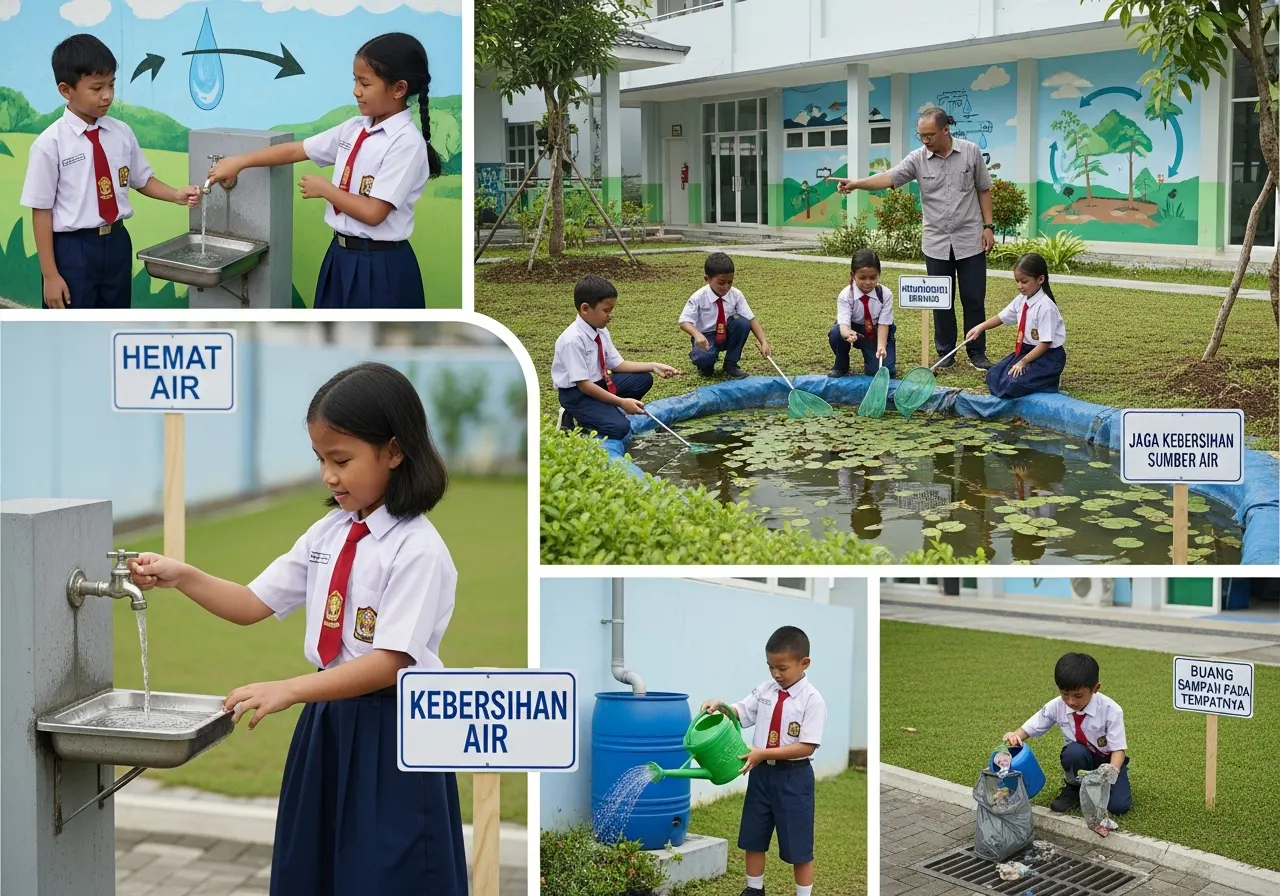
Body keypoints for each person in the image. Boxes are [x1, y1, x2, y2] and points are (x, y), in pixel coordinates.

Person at [127, 362, 469, 896]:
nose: (329, 476)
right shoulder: (329, 531)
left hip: (399, 732)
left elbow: (389, 662)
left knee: (389, 874)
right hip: (328, 724)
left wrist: (289, 689)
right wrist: (184, 576)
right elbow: (250, 602)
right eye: (321, 460)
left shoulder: (417, 549)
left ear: (395, 452)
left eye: (342, 460)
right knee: (313, 869)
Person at [207, 33, 441, 308]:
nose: (356, 90)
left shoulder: (406, 143)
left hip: (380, 265)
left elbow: (374, 213)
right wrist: (239, 162)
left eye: (365, 83)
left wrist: (327, 190)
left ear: (399, 89)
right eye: (354, 80)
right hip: (340, 256)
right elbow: (297, 150)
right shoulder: (355, 128)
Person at [20, 34, 201, 309]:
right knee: (73, 331)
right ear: (66, 90)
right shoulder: (49, 144)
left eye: (111, 85)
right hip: (73, 250)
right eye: (96, 88)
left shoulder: (121, 133)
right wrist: (50, 275)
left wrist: (175, 194)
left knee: (113, 323)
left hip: (116, 243)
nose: (107, 95)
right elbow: (41, 211)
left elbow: (142, 180)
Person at [831, 106, 995, 371]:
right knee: (942, 300)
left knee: (974, 298)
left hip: (970, 239)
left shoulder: (971, 152)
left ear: (946, 129)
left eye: (929, 134)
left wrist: (988, 226)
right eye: (921, 135)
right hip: (936, 242)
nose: (925, 140)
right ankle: (946, 353)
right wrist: (856, 183)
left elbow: (983, 189)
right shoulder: (917, 159)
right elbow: (888, 177)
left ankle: (976, 353)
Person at [700, 626, 828, 896]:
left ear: (804, 663)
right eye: (771, 667)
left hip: (794, 778)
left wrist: (762, 753)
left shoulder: (812, 701)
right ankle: (753, 890)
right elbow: (741, 712)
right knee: (753, 837)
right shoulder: (765, 691)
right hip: (761, 777)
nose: (776, 674)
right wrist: (721, 707)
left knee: (799, 845)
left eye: (782, 668)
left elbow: (806, 745)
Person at [553, 275, 681, 440]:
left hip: (599, 384)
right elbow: (584, 385)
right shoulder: (572, 340)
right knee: (619, 428)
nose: (610, 315)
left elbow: (617, 364)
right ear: (585, 309)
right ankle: (575, 420)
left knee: (643, 379)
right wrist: (621, 402)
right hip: (577, 394)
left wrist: (654, 366)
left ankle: (603, 411)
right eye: (606, 310)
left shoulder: (600, 329)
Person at [1002, 652, 1131, 815]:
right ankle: (1074, 787)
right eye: (1064, 694)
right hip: (1079, 758)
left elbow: (1118, 749)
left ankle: (1099, 785)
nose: (1071, 702)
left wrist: (1113, 771)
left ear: (1095, 688)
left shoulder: (1111, 710)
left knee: (1118, 807)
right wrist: (1016, 735)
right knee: (1073, 751)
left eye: (1078, 696)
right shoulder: (1056, 705)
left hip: (1108, 762)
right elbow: (1031, 726)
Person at [965, 252, 1067, 399]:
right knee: (993, 375)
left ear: (1040, 279)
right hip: (1025, 351)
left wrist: (1023, 362)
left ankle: (1049, 382)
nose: (1020, 286)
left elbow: (1045, 344)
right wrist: (981, 327)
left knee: (1014, 384)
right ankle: (1038, 380)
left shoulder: (1046, 307)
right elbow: (1002, 317)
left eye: (1024, 282)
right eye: (1017, 281)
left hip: (1047, 357)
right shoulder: (1021, 300)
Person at [679, 252, 772, 378]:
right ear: (707, 279)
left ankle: (731, 364)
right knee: (705, 361)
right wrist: (697, 335)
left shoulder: (736, 294)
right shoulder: (698, 297)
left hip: (727, 333)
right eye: (721, 283)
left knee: (743, 323)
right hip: (706, 337)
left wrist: (764, 342)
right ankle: (706, 364)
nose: (726, 287)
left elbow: (751, 319)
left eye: (730, 282)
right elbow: (684, 321)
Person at [829, 248, 896, 378]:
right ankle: (841, 365)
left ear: (879, 274)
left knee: (884, 372)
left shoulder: (885, 294)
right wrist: (847, 333)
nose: (868, 282)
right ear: (852, 275)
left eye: (873, 277)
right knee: (836, 333)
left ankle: (873, 357)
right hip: (854, 329)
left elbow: (884, 324)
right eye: (862, 278)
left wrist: (881, 346)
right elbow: (843, 325)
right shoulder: (846, 295)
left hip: (877, 330)